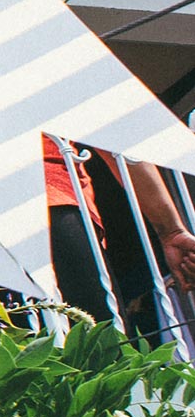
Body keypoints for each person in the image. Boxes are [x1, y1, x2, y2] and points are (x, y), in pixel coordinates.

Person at [43, 134, 195, 340]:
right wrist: (171, 230)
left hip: (49, 207)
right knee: (101, 352)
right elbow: (117, 136)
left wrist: (173, 232)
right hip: (54, 203)